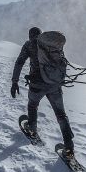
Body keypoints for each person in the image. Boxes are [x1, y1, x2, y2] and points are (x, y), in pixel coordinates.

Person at [11, 27, 75, 159]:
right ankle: (69, 148)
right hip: (54, 85)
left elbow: (19, 62)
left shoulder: (29, 45)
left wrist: (14, 82)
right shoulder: (50, 46)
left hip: (37, 84)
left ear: (30, 36)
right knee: (61, 114)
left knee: (32, 105)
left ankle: (33, 130)